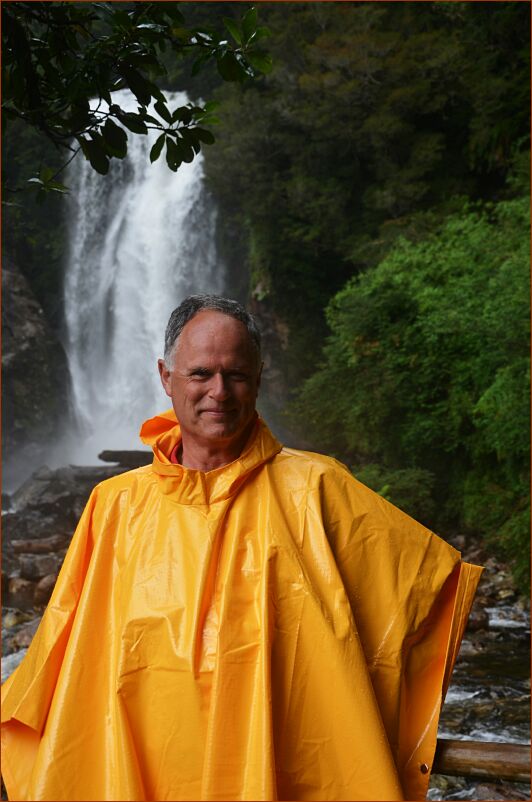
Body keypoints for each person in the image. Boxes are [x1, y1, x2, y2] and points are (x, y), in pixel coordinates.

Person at [1, 295, 482, 802]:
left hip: (269, 762)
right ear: (166, 378)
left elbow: (428, 589)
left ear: (257, 380)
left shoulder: (317, 488)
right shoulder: (116, 504)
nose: (219, 392)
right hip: (141, 765)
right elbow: (61, 649)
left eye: (236, 375)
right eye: (201, 373)